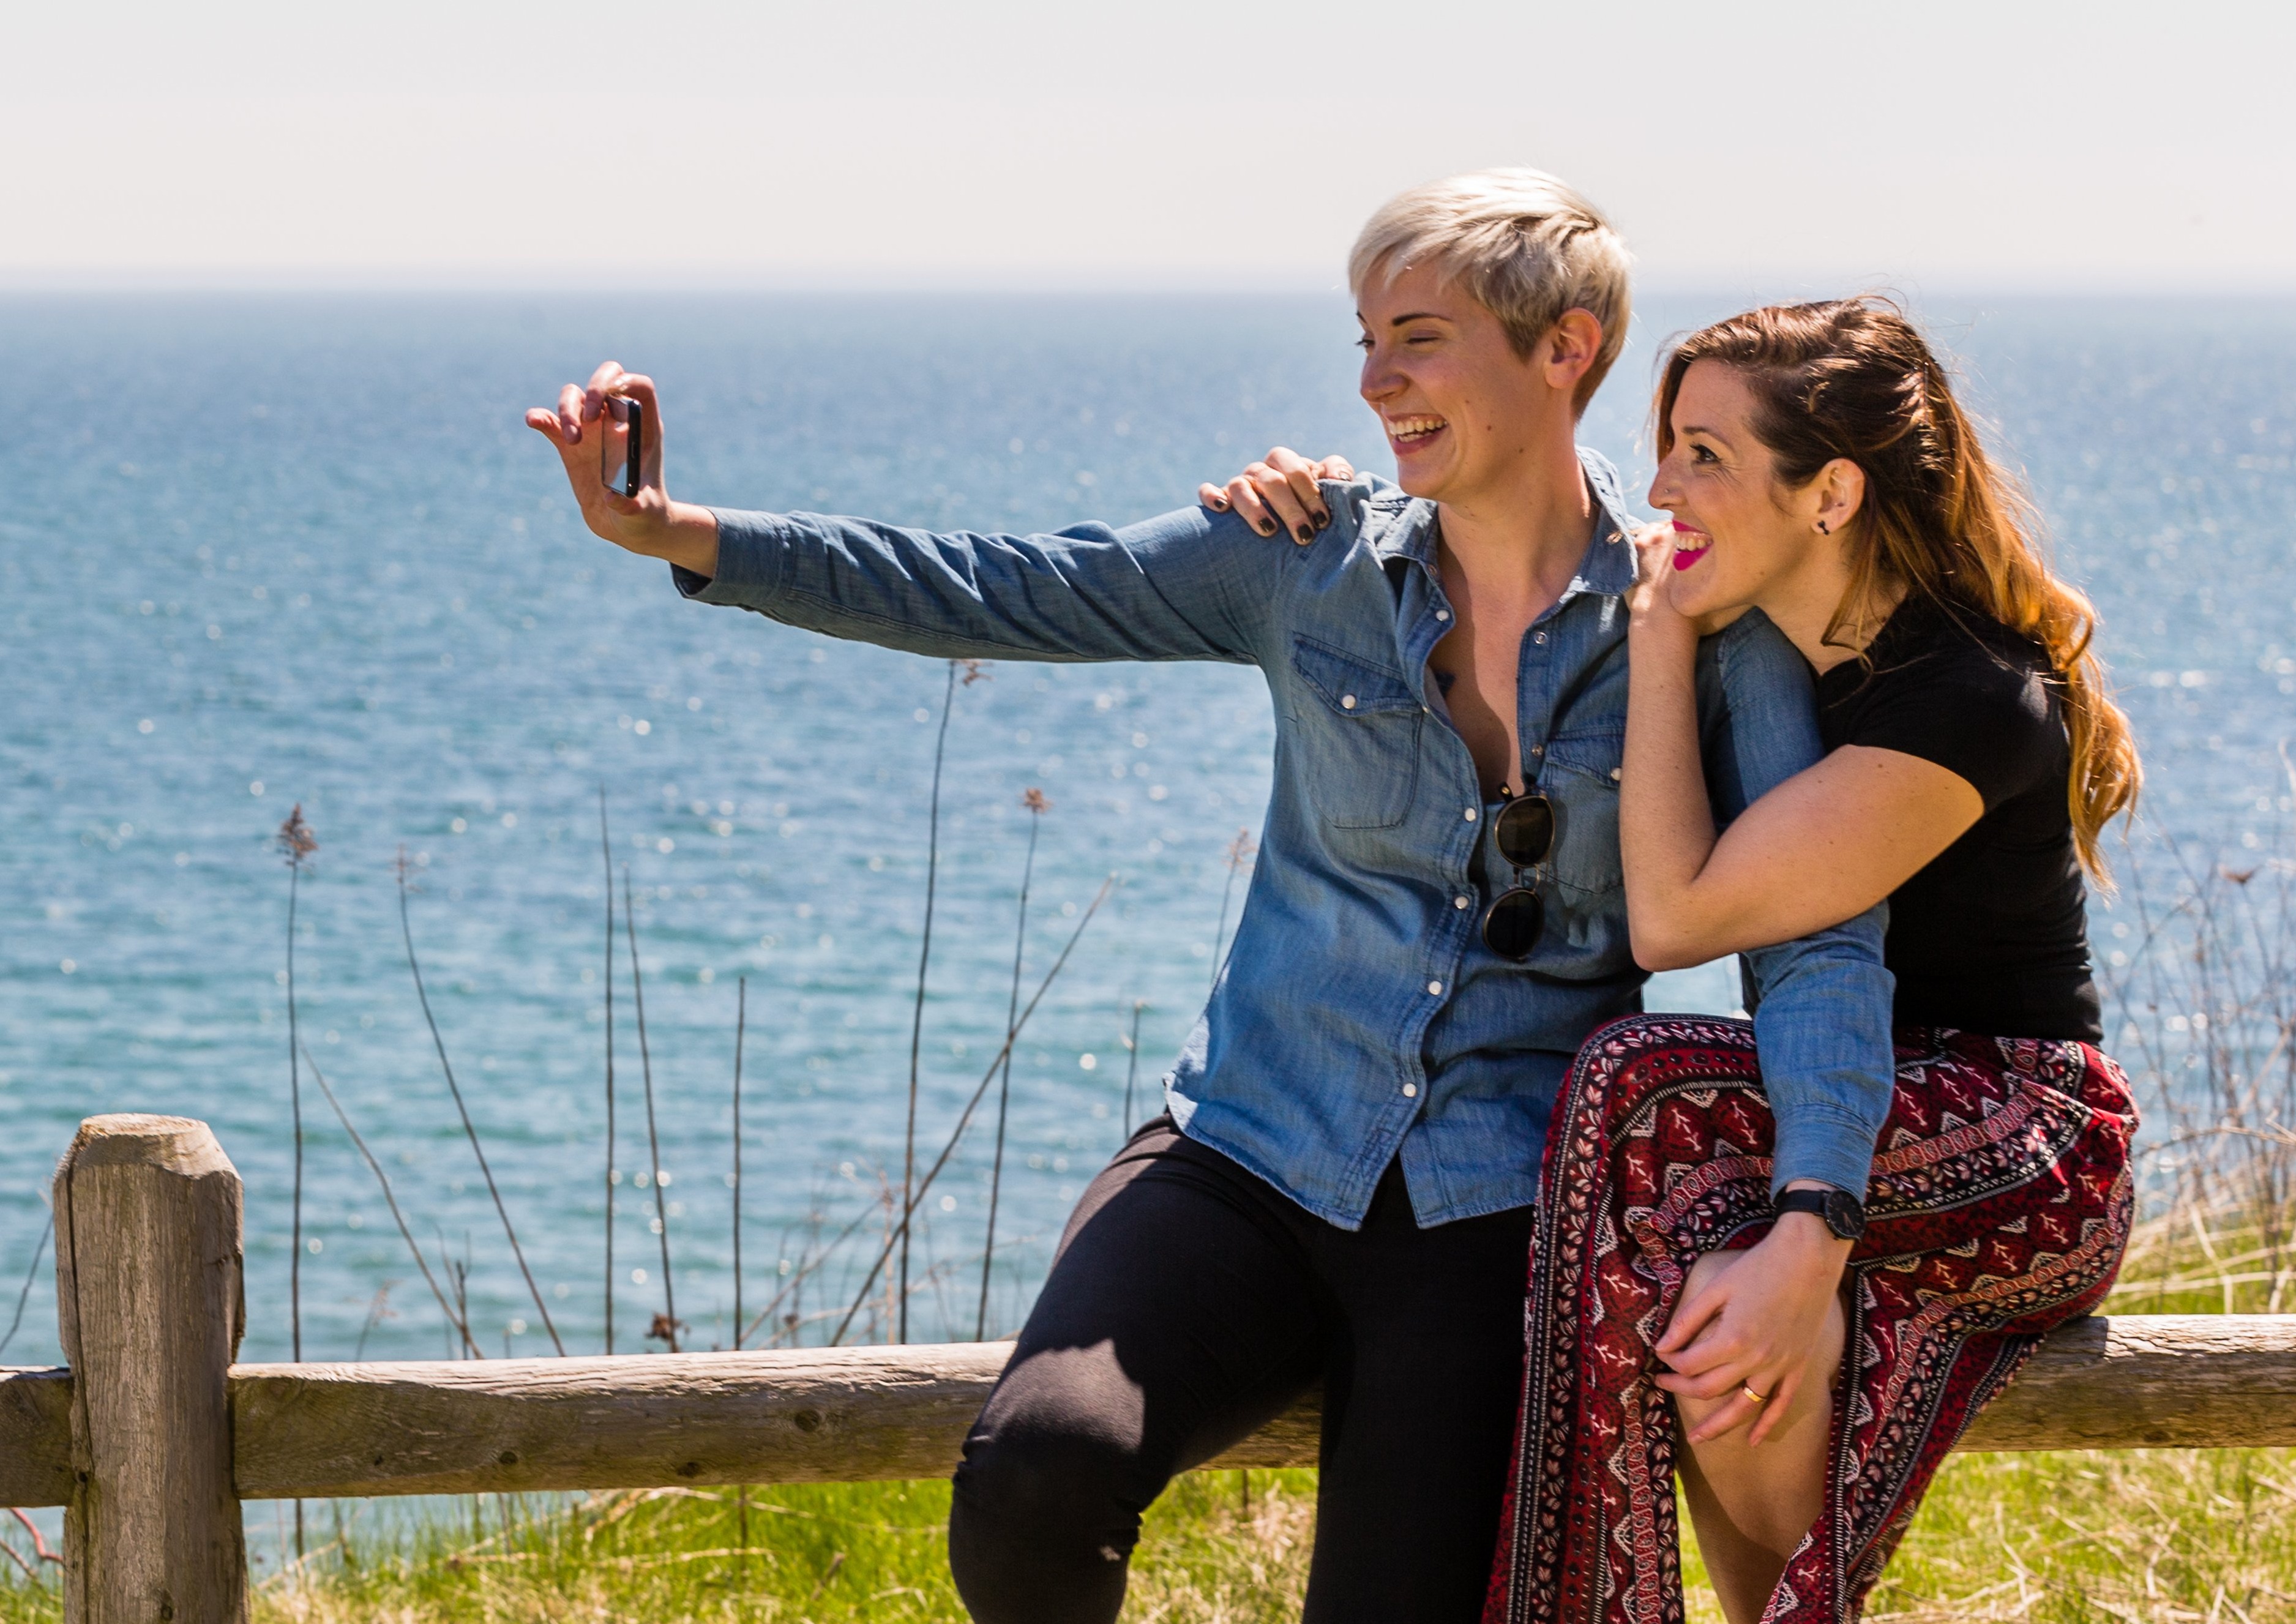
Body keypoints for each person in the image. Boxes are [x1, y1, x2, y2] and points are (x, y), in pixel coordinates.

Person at [526, 171, 1892, 1624]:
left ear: (1564, 348)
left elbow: (1816, 948)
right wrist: (677, 530)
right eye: (1363, 338)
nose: (1373, 382)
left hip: (1497, 1205)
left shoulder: (1701, 627)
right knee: (1032, 1477)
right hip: (1244, 1146)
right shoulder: (1299, 557)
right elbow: (1003, 588)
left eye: (1415, 338)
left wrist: (1815, 1216)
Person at [1481, 299, 2142, 1624]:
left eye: (1705, 455)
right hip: (1841, 1115)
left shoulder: (1971, 697)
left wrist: (1663, 635)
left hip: (2030, 1138)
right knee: (1692, 1246)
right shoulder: (1775, 662)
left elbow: (1674, 919)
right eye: (1663, 445)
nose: (1661, 489)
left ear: (1830, 491)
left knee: (1639, 1082)